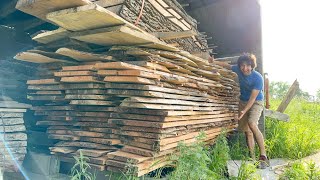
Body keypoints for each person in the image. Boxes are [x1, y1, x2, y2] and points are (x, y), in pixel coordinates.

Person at [210, 53, 269, 169]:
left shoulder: (258, 78)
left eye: (248, 66)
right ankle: (252, 158)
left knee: (252, 123)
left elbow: (253, 98)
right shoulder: (237, 69)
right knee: (248, 131)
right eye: (242, 65)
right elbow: (226, 66)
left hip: (256, 101)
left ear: (252, 66)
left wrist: (244, 111)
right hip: (243, 101)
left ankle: (263, 156)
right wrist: (213, 62)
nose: (245, 68)